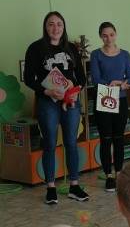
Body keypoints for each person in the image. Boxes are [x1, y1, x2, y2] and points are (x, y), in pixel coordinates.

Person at [24, 11, 88, 204]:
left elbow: (81, 77)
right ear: (45, 27)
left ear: (64, 26)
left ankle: (74, 186)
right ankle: (50, 188)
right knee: (50, 143)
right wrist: (47, 92)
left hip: (70, 102)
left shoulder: (71, 48)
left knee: (71, 143)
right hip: (47, 102)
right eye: (51, 24)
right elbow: (29, 78)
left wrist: (75, 90)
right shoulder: (35, 48)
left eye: (59, 24)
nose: (55, 28)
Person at [90, 21, 130, 192]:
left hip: (121, 100)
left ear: (116, 34)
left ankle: (119, 173)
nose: (109, 38)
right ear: (101, 37)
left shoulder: (125, 54)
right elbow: (96, 79)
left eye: (111, 34)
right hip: (104, 100)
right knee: (106, 139)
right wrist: (113, 84)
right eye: (105, 35)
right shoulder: (96, 55)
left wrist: (121, 84)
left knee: (119, 138)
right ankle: (109, 175)